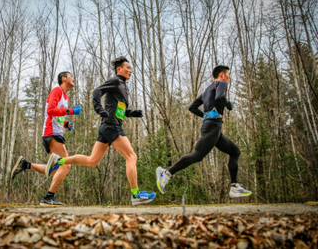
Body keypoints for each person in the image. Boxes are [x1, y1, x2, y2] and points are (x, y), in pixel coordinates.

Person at [45, 56, 156, 206]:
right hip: (111, 125)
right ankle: (136, 194)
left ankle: (59, 161)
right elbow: (97, 91)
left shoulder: (123, 85)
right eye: (127, 68)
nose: (130, 70)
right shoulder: (116, 80)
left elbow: (117, 108)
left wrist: (129, 113)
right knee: (132, 157)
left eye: (130, 68)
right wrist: (99, 109)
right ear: (119, 69)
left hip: (107, 126)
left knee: (92, 161)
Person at [156, 65, 252, 198]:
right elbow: (220, 99)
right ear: (222, 74)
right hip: (212, 127)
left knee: (235, 151)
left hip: (213, 127)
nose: (229, 77)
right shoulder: (221, 83)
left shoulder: (207, 90)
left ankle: (235, 186)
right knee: (197, 155)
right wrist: (228, 104)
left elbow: (192, 107)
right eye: (228, 74)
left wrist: (208, 115)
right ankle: (166, 173)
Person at [10, 71, 82, 206]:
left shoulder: (66, 97)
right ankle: (48, 198)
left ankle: (26, 164)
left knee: (55, 171)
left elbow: (57, 116)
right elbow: (50, 110)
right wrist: (70, 111)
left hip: (56, 132)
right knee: (66, 165)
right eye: (72, 76)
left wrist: (66, 123)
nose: (74, 79)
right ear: (64, 79)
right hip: (51, 133)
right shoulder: (57, 91)